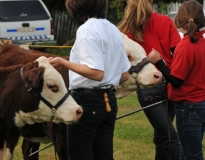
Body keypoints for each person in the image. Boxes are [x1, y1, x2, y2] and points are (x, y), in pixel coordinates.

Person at [48, 0, 131, 159]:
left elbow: (96, 72)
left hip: (86, 101)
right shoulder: (113, 29)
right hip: (109, 102)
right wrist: (107, 82)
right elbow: (124, 75)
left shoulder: (86, 30)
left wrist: (62, 62)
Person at [117, 0, 183, 159]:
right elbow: (179, 53)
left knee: (164, 136)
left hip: (147, 87)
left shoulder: (126, 29)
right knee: (166, 136)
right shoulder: (166, 22)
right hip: (168, 82)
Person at [148, 0, 205, 159]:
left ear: (179, 21)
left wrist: (158, 62)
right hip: (201, 104)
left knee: (190, 156)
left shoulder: (185, 45)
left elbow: (176, 79)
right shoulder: (202, 43)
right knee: (192, 152)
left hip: (188, 108)